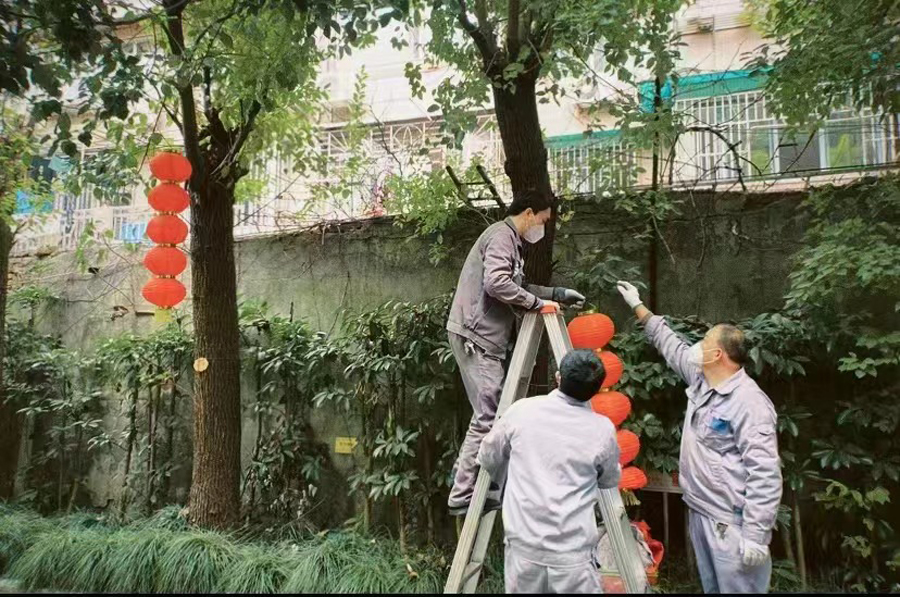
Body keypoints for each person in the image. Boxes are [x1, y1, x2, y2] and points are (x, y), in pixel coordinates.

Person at [616, 280, 782, 593]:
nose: (696, 347)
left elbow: (765, 472)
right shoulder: (702, 378)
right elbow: (670, 344)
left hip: (731, 523)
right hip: (702, 511)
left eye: (703, 342)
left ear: (717, 354)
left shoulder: (749, 403)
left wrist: (756, 535)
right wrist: (638, 306)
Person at [445, 189, 585, 516]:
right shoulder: (501, 236)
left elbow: (515, 286)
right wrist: (539, 304)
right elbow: (496, 283)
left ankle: (466, 476)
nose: (543, 227)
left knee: (492, 412)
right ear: (529, 213)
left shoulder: (510, 241)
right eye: (544, 220)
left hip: (483, 335)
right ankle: (462, 493)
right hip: (476, 334)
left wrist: (556, 293)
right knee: (489, 414)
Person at [477, 349, 620, 594]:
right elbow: (608, 480)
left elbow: (488, 456)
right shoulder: (602, 429)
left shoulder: (522, 411)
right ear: (596, 390)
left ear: (558, 377)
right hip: (572, 555)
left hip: (524, 547)